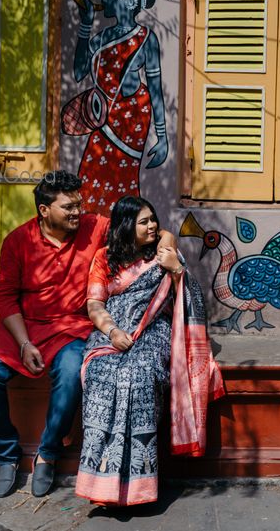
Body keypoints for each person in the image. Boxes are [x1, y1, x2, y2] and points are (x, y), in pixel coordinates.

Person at [0, 171, 177, 499]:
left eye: (79, 204)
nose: (77, 212)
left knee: (70, 374)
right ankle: (6, 453)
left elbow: (146, 228)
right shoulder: (17, 241)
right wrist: (23, 343)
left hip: (71, 327)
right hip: (24, 327)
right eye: (68, 207)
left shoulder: (94, 226)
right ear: (44, 211)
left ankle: (48, 453)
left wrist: (167, 245)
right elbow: (6, 298)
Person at [76, 197, 224, 507]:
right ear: (126, 226)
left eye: (153, 219)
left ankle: (138, 485)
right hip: (112, 331)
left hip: (154, 330)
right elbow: (94, 304)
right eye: (143, 222)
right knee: (103, 374)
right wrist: (113, 331)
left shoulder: (163, 254)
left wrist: (177, 271)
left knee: (139, 375)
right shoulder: (104, 258)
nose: (152, 226)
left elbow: (192, 299)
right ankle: (102, 484)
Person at [73, 0, 169, 215]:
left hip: (131, 119)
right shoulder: (102, 38)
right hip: (102, 119)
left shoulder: (146, 38)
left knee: (123, 185)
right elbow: (78, 72)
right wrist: (85, 27)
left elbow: (156, 88)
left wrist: (163, 136)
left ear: (127, 1)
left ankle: (120, 240)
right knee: (90, 180)